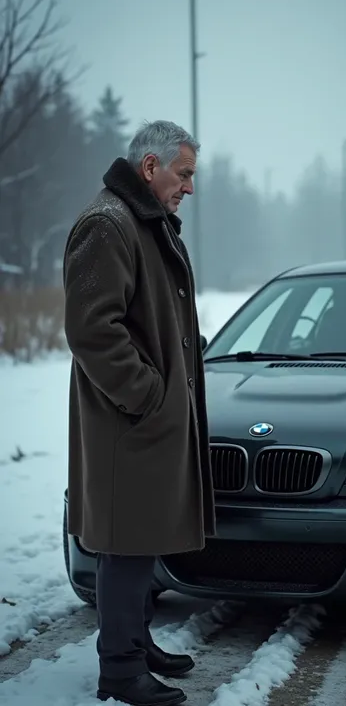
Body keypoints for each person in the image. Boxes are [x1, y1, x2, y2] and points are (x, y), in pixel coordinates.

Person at [63, 120, 216, 706]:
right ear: (149, 168)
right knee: (126, 546)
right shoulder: (108, 223)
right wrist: (149, 394)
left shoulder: (141, 220)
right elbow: (92, 330)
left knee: (141, 538)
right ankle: (120, 670)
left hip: (144, 423)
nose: (189, 188)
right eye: (183, 174)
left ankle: (134, 639)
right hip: (127, 424)